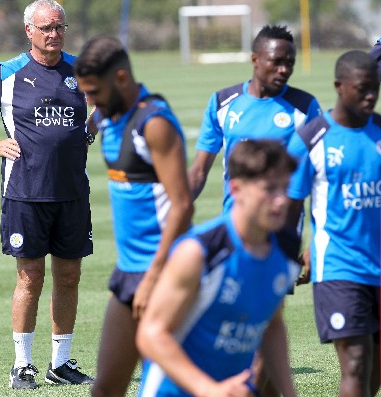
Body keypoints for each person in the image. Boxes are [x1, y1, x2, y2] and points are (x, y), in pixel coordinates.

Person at [0, 0, 94, 389]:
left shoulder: (81, 70)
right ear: (29, 31)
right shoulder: (8, 72)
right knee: (30, 276)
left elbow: (112, 99)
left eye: (60, 27)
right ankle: (22, 365)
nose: (54, 34)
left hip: (72, 193)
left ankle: (60, 363)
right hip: (25, 191)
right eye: (46, 27)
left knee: (69, 276)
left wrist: (94, 120)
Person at [73, 36, 194, 397]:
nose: (91, 102)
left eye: (94, 92)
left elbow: (183, 204)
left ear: (121, 78)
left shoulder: (154, 124)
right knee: (106, 387)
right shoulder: (107, 118)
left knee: (162, 391)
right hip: (128, 274)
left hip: (163, 275)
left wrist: (154, 274)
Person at [137, 139, 301, 397]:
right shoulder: (200, 252)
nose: (282, 200)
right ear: (236, 189)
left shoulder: (286, 247)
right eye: (270, 189)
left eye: (285, 188)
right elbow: (151, 334)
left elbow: (272, 323)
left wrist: (289, 393)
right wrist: (208, 389)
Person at [286, 50, 380, 397]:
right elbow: (289, 207)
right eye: (362, 89)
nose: (371, 96)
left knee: (373, 371)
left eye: (376, 88)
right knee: (355, 361)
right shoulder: (311, 139)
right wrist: (286, 257)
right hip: (339, 268)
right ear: (340, 87)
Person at [189, 24, 322, 213]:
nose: (284, 70)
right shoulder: (222, 102)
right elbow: (199, 171)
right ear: (255, 60)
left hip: (281, 223)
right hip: (235, 220)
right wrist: (176, 208)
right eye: (276, 62)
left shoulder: (305, 106)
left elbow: (323, 170)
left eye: (289, 63)